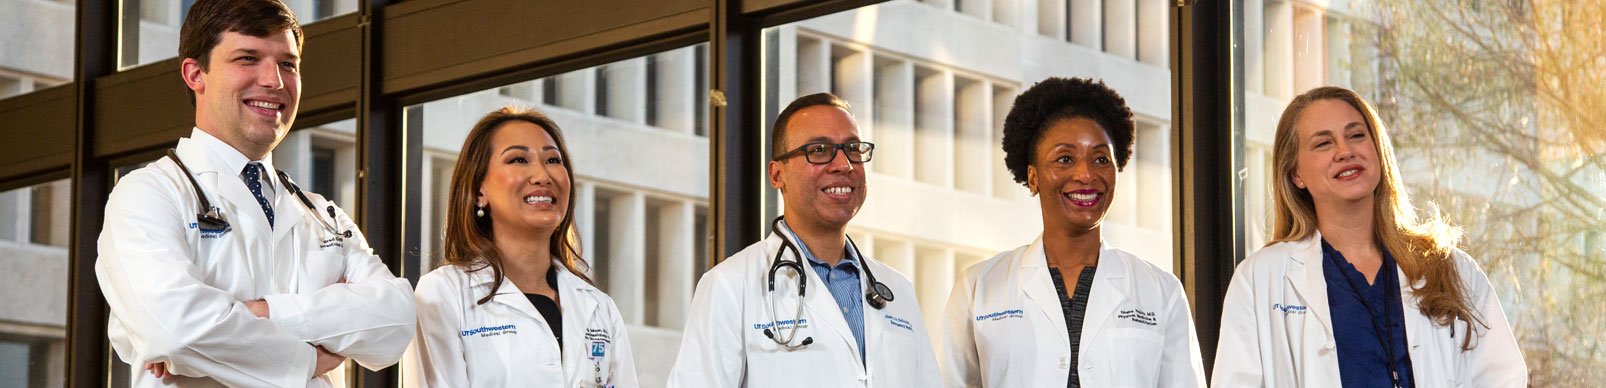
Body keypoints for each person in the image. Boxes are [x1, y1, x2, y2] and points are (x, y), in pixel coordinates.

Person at [94, 1, 416, 386]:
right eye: (248, 58)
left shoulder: (320, 213)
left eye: (288, 64)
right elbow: (177, 332)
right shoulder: (147, 195)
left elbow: (396, 320)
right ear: (196, 74)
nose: (274, 81)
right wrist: (310, 358)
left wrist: (261, 313)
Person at [1211, 86, 1527, 387]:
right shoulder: (1260, 280)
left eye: (1357, 135)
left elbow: (1503, 378)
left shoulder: (1450, 268)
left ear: (1377, 150)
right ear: (1295, 174)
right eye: (1323, 143)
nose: (1345, 151)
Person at [940, 77, 1205, 388]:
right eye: (1065, 159)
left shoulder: (1162, 292)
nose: (1085, 174)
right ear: (1033, 177)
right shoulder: (978, 289)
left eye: (1101, 159)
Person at [666, 93, 940, 387]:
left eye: (852, 148)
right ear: (776, 174)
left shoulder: (897, 290)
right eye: (819, 150)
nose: (843, 164)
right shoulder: (730, 286)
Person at [405, 107, 638, 387]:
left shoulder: (599, 307)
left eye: (553, 159)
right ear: (479, 191)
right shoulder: (443, 294)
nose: (543, 175)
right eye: (518, 159)